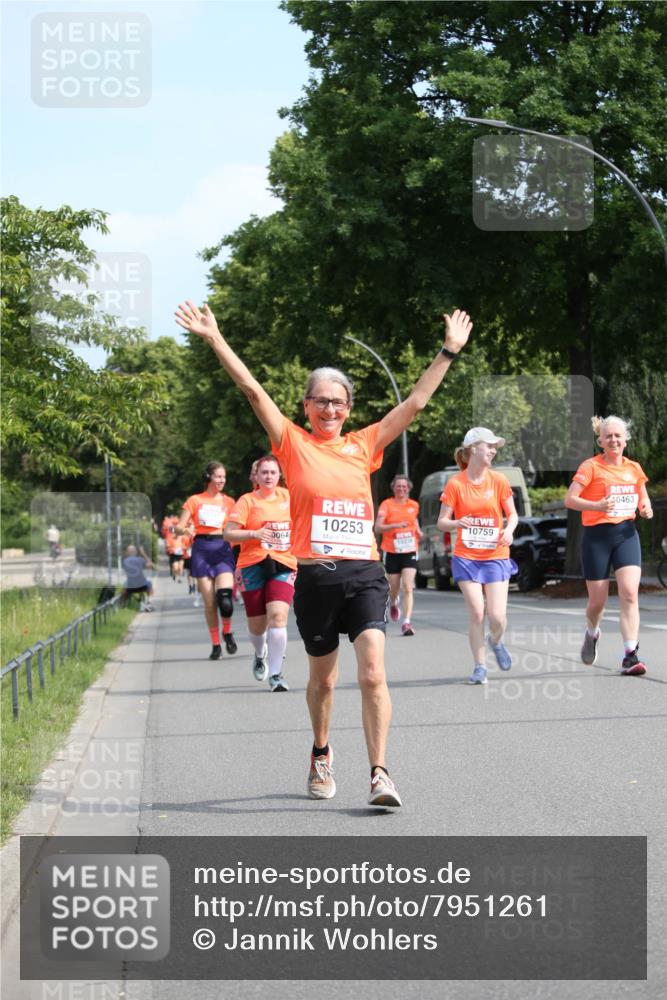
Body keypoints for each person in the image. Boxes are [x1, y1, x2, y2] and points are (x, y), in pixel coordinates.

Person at [175, 298, 472, 809]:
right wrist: (215, 338)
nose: (330, 410)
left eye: (338, 402)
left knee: (373, 671)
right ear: (306, 405)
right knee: (323, 679)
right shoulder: (291, 442)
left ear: (349, 408)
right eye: (321, 402)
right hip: (314, 578)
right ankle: (320, 751)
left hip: (364, 574)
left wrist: (448, 351)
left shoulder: (366, 444)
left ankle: (380, 772)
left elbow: (417, 403)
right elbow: (251, 390)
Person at [565, 415, 653, 675]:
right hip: (596, 537)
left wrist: (646, 509)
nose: (613, 440)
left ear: (625, 440)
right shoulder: (591, 466)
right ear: (601, 441)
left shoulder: (634, 468)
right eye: (608, 436)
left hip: (626, 534)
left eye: (618, 436)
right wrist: (597, 506)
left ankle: (630, 654)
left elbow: (643, 500)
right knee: (597, 602)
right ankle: (592, 633)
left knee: (629, 593)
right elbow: (571, 499)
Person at [437, 428, 518, 685]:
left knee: (497, 616)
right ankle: (480, 667)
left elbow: (513, 514)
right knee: (477, 612)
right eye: (490, 446)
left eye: (496, 447)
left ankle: (495, 641)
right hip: (466, 557)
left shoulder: (499, 481)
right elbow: (441, 522)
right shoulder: (455, 484)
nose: (494, 451)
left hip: (495, 554)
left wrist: (509, 530)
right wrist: (458, 523)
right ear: (473, 449)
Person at [224, 455, 297, 692]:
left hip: (283, 562)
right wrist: (254, 534)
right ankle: (260, 652)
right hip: (252, 563)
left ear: (279, 475)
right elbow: (229, 534)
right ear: (256, 476)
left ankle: (276, 674)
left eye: (273, 473)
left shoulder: (289, 497)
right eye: (264, 472)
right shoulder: (246, 501)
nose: (268, 477)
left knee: (277, 615)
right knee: (257, 626)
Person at [176, 463, 238, 660]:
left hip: (222, 548)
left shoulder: (229, 502)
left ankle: (227, 632)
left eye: (224, 477)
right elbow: (178, 526)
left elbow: (238, 525)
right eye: (218, 476)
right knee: (210, 603)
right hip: (202, 549)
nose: (221, 480)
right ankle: (216, 644)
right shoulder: (195, 500)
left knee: (226, 600)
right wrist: (185, 530)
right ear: (208, 477)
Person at [375, 475, 423, 636]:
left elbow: (414, 521)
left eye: (404, 486)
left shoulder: (414, 505)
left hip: (409, 549)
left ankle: (407, 622)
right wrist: (395, 525)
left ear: (409, 488)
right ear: (393, 488)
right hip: (391, 550)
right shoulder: (386, 505)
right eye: (398, 486)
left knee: (408, 586)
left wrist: (418, 531)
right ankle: (394, 602)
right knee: (394, 587)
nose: (401, 489)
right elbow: (378, 528)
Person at [122, 544, 154, 611]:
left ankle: (124, 604)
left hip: (130, 588)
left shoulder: (124, 561)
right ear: (136, 552)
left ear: (127, 553)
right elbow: (151, 565)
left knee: (125, 584)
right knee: (150, 584)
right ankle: (149, 603)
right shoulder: (140, 560)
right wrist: (143, 553)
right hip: (142, 586)